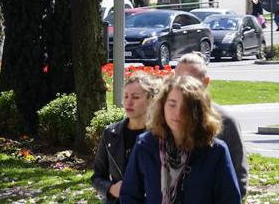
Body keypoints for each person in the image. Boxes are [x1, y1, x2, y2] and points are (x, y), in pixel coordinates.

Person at [120, 76, 241, 204]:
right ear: (162, 106)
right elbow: (129, 195)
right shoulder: (145, 145)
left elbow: (229, 199)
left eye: (186, 106)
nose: (178, 113)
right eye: (172, 104)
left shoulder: (216, 151)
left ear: (198, 111)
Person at [174, 52, 248, 197]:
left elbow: (238, 179)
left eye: (190, 80)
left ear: (206, 82)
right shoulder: (163, 119)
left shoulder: (226, 122)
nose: (183, 87)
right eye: (178, 80)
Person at [91, 73, 161, 204]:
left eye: (135, 97)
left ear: (152, 100)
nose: (128, 102)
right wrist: (111, 188)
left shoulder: (160, 136)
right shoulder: (110, 133)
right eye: (126, 96)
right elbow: (97, 177)